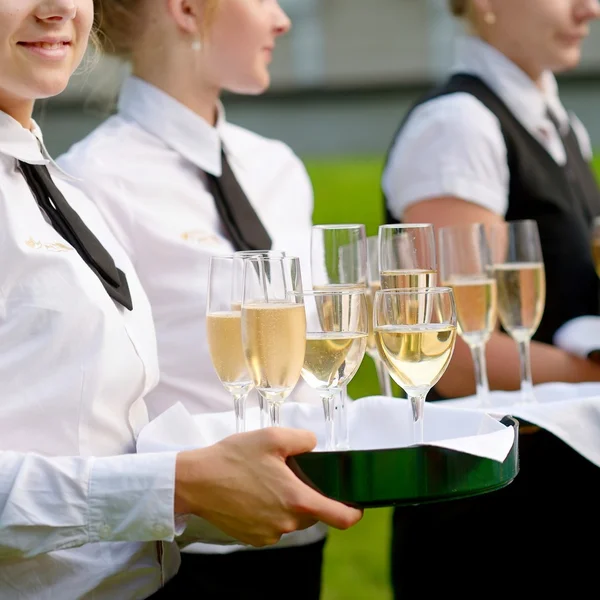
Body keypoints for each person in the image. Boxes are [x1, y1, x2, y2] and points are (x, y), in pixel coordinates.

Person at [0, 2, 363, 598]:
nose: (62, 6)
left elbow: (100, 421)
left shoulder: (56, 188)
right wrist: (176, 486)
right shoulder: (97, 175)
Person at [382, 0, 600, 597]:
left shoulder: (560, 125)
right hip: (489, 530)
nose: (590, 9)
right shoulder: (458, 127)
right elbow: (452, 355)